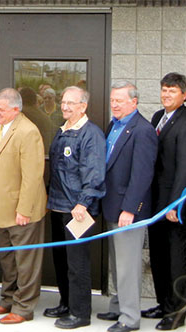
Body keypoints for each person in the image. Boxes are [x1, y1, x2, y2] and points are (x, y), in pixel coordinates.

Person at [142, 72, 186, 331]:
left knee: (178, 260)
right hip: (156, 203)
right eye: (164, 89)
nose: (167, 94)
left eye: (173, 91)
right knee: (159, 257)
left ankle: (177, 313)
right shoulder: (158, 117)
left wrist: (175, 205)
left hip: (176, 207)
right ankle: (164, 304)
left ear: (185, 95)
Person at [0, 88, 46, 325]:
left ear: (16, 109)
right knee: (7, 259)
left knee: (25, 261)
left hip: (21, 211)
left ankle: (24, 307)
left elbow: (32, 176)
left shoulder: (28, 131)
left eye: (1, 109)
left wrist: (24, 210)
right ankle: (7, 299)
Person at [44, 86, 106, 329]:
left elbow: (95, 173)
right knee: (61, 260)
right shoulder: (63, 130)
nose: (65, 106)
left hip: (78, 210)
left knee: (77, 264)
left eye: (71, 103)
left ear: (83, 106)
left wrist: (83, 202)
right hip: (58, 206)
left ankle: (80, 313)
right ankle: (66, 303)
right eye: (63, 101)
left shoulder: (91, 134)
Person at [97, 82, 157, 332]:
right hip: (111, 205)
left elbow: (142, 175)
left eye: (120, 100)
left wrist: (131, 208)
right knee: (116, 263)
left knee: (128, 265)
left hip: (127, 210)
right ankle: (117, 306)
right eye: (112, 100)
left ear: (134, 102)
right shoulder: (114, 125)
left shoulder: (143, 130)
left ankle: (130, 318)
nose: (114, 104)